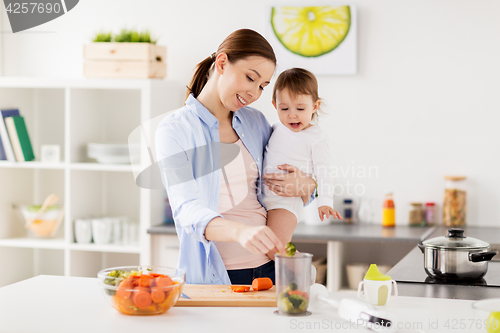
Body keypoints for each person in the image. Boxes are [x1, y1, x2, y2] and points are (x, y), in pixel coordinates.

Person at [155, 29, 317, 285]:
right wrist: (239, 232)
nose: (254, 93)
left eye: (263, 86)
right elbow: (186, 208)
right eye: (250, 78)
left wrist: (309, 185)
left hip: (269, 271)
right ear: (222, 63)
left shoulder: (257, 123)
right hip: (216, 276)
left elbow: (282, 186)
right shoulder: (175, 129)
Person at [263, 68, 343, 259]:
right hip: (264, 198)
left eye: (300, 109)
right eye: (284, 109)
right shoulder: (275, 127)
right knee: (265, 247)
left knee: (274, 249)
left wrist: (325, 202)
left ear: (315, 106)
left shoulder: (316, 138)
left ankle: (306, 274)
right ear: (275, 105)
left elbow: (324, 172)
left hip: (286, 202)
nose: (292, 115)